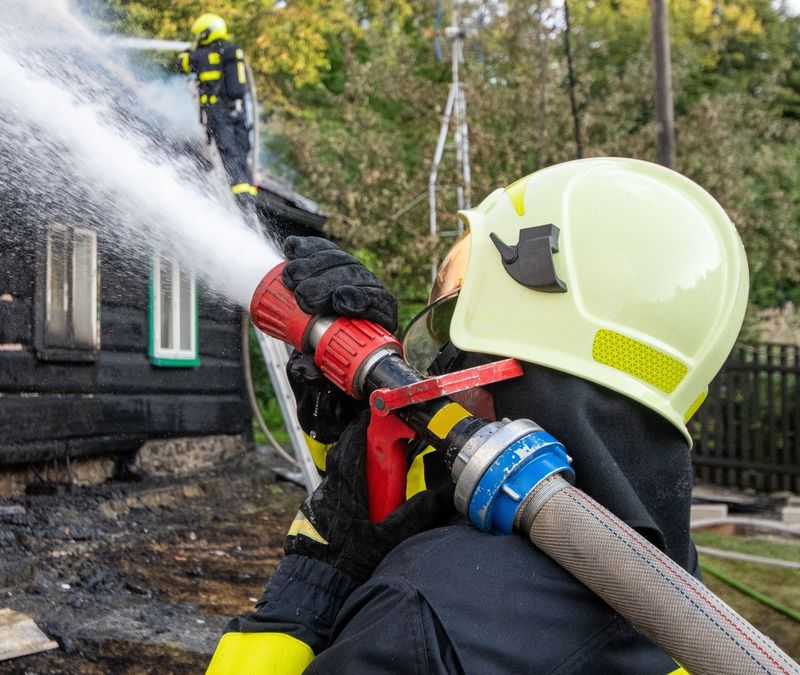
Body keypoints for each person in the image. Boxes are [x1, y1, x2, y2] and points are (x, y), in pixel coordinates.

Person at [206, 157, 749, 673]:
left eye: (451, 334)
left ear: (500, 365)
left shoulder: (421, 620)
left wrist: (318, 574)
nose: (433, 378)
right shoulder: (671, 581)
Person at [176, 14, 256, 208]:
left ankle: (239, 195)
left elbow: (182, 64)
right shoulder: (231, 50)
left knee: (227, 151)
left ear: (208, 33)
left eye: (201, 35)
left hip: (219, 111)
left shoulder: (203, 55)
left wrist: (188, 51)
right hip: (239, 110)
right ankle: (248, 193)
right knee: (241, 151)